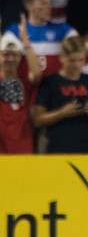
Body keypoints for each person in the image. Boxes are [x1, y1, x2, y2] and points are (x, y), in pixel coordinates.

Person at [33, 35, 88, 152]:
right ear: (62, 57)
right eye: (72, 60)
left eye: (80, 60)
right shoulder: (50, 83)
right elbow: (38, 120)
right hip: (58, 150)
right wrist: (62, 112)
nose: (77, 65)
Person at [0, 17, 40, 153]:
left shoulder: (23, 79)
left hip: (23, 144)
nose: (10, 59)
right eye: (6, 55)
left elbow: (36, 75)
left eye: (14, 55)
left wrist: (25, 41)